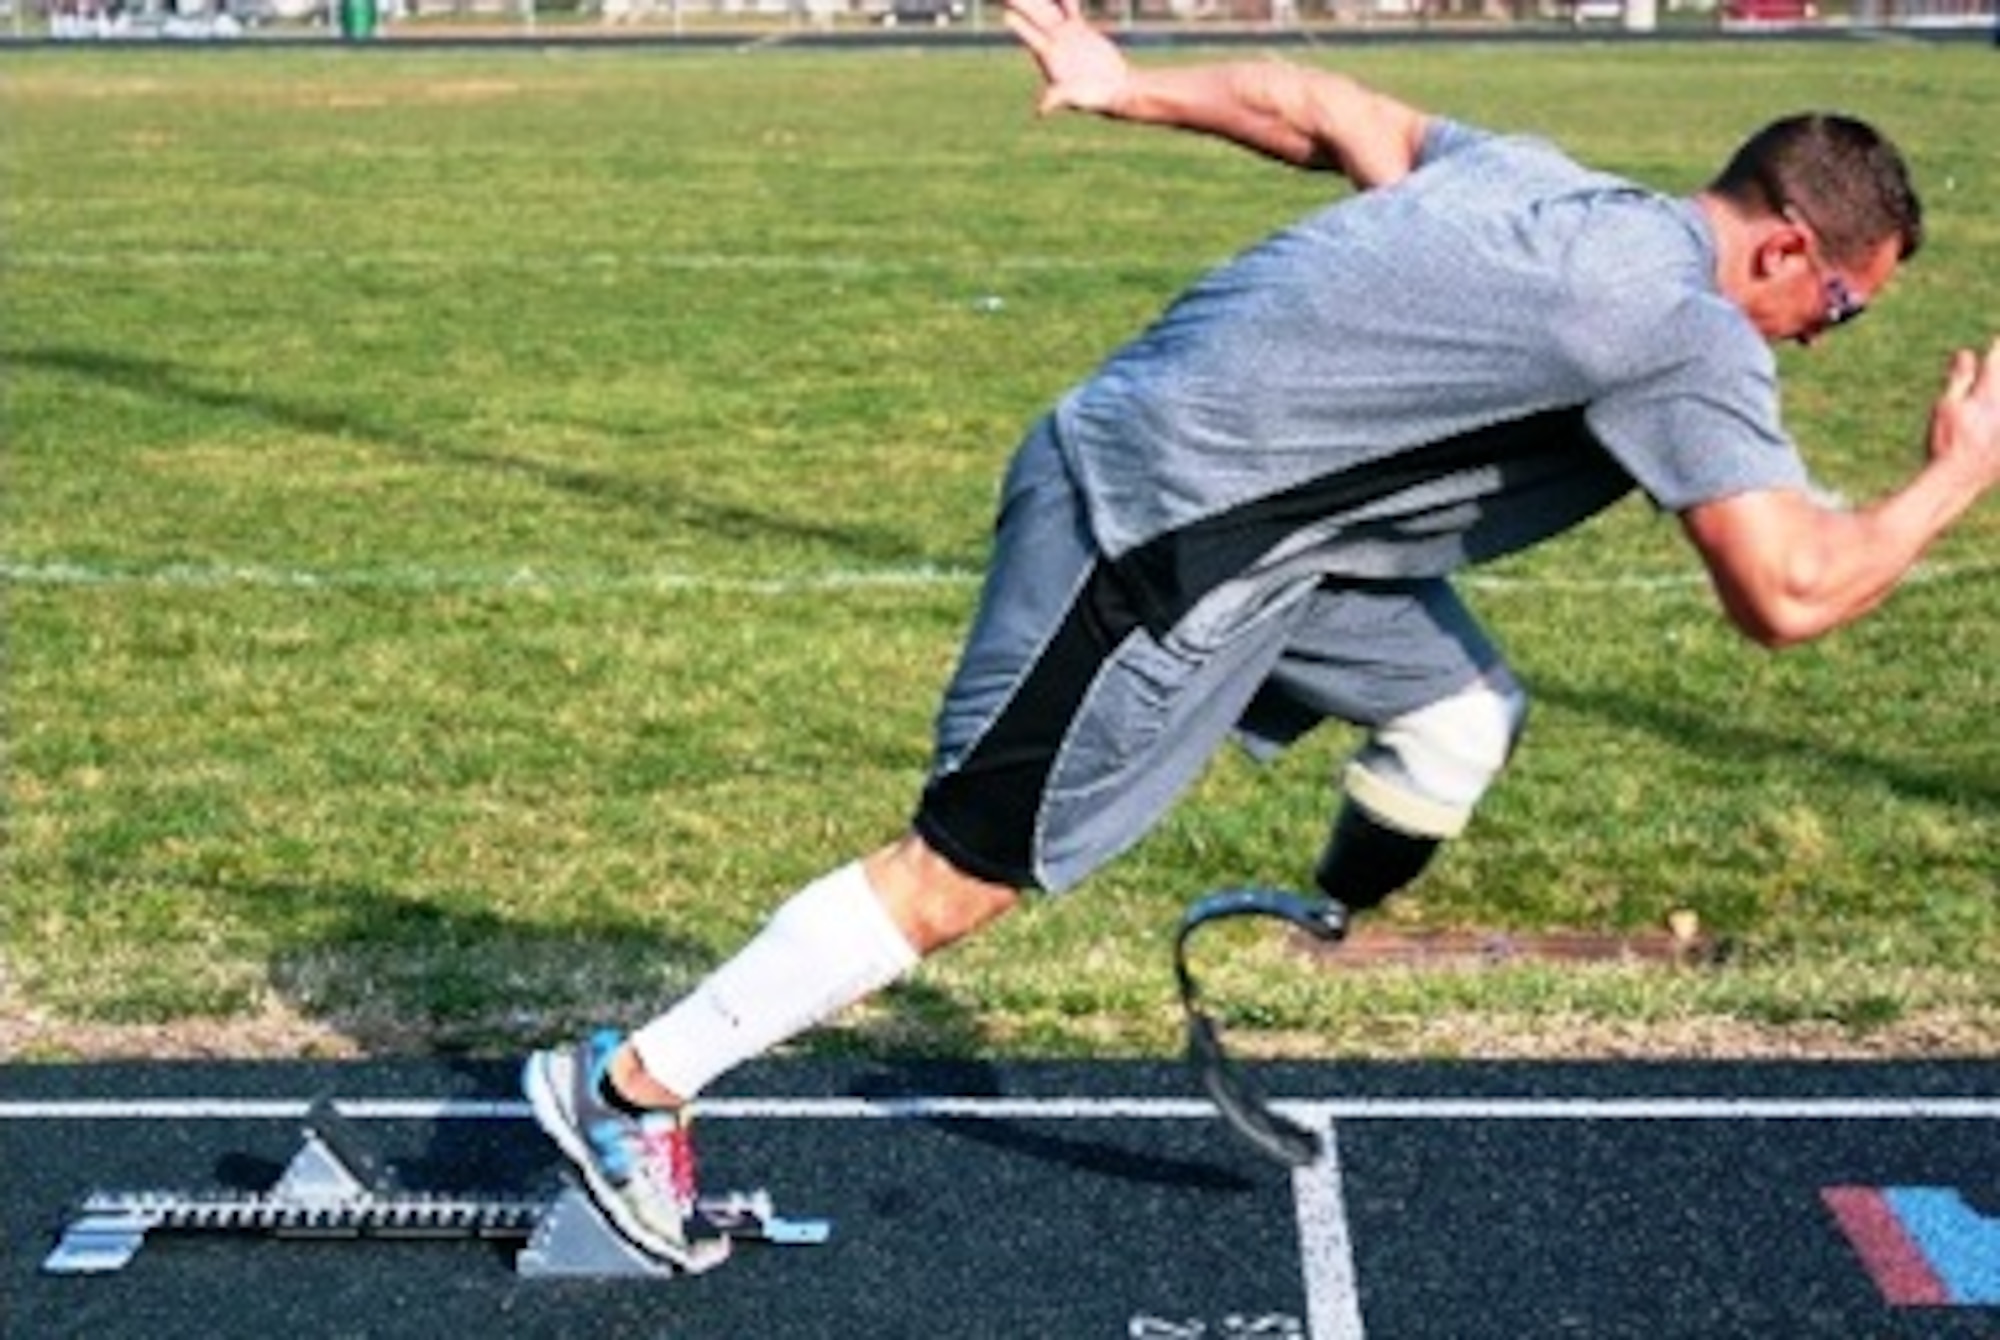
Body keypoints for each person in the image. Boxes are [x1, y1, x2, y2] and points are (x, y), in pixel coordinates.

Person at [523, 0, 2000, 1267]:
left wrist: (1122, 83)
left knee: (1460, 709)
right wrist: (1955, 478)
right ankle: (632, 1087)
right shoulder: (1679, 326)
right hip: (1153, 534)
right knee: (963, 874)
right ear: (1790, 249)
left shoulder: (1551, 185)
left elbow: (1320, 103)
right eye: (1845, 311)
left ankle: (1324, 923)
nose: (1824, 339)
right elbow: (1786, 596)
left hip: (1287, 547)